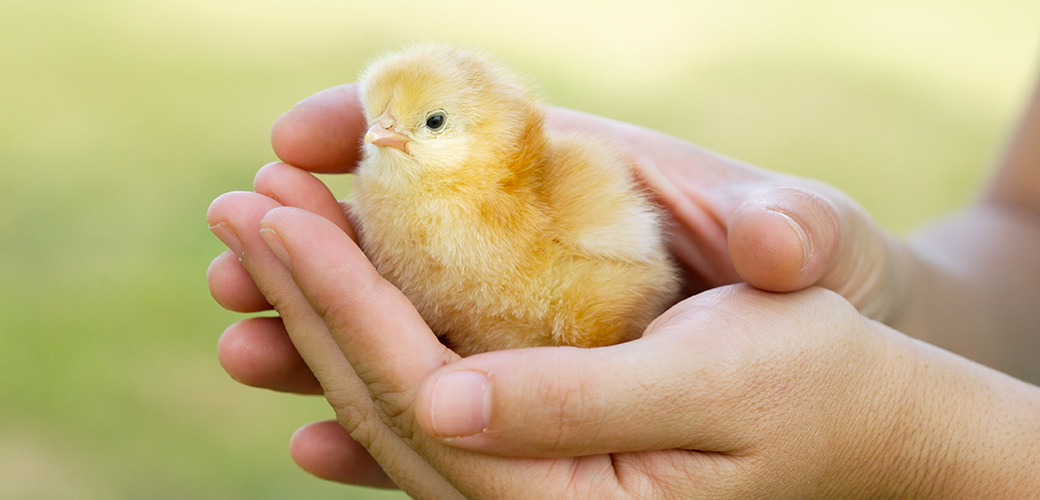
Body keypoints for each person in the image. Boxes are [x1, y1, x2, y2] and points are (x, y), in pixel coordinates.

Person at [206, 66, 1040, 497]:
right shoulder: (416, 187)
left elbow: (606, 258)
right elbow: (1027, 226)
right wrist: (902, 302)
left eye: (425, 122)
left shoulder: (533, 194)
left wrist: (917, 440)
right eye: (381, 113)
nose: (383, 134)